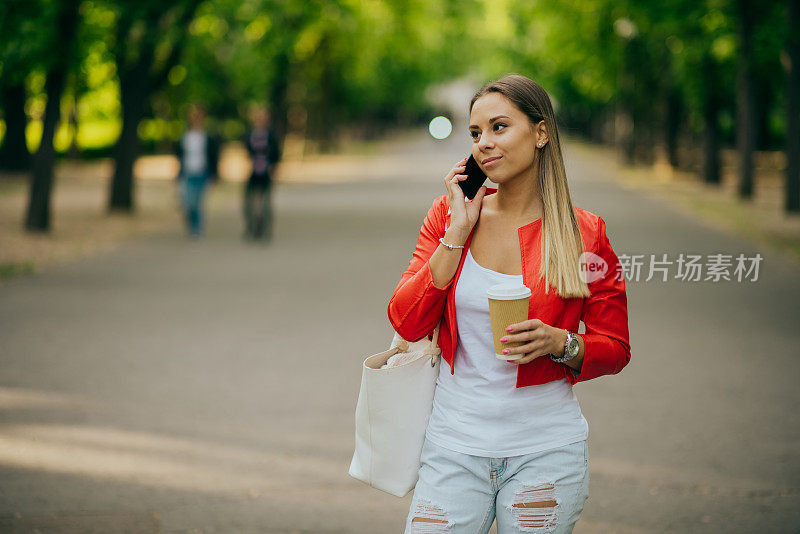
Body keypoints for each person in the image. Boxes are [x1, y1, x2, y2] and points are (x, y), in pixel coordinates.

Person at [388, 74, 631, 533]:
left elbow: (616, 346)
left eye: (500, 127)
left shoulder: (586, 233)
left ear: (541, 133)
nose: (484, 144)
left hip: (547, 451)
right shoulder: (449, 216)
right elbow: (405, 318)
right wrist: (456, 235)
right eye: (476, 133)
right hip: (453, 445)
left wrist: (561, 342)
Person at [175, 104, 219, 239]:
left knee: (198, 203)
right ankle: (191, 226)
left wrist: (214, 174)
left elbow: (213, 156)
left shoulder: (207, 137)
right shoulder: (185, 137)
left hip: (202, 173)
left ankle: (196, 228)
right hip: (188, 172)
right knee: (188, 202)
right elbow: (180, 156)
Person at [242, 105, 281, 242]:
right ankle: (252, 228)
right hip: (253, 173)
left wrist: (274, 168)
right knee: (250, 203)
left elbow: (277, 155)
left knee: (265, 203)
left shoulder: (271, 136)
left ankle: (265, 230)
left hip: (266, 173)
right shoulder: (250, 135)